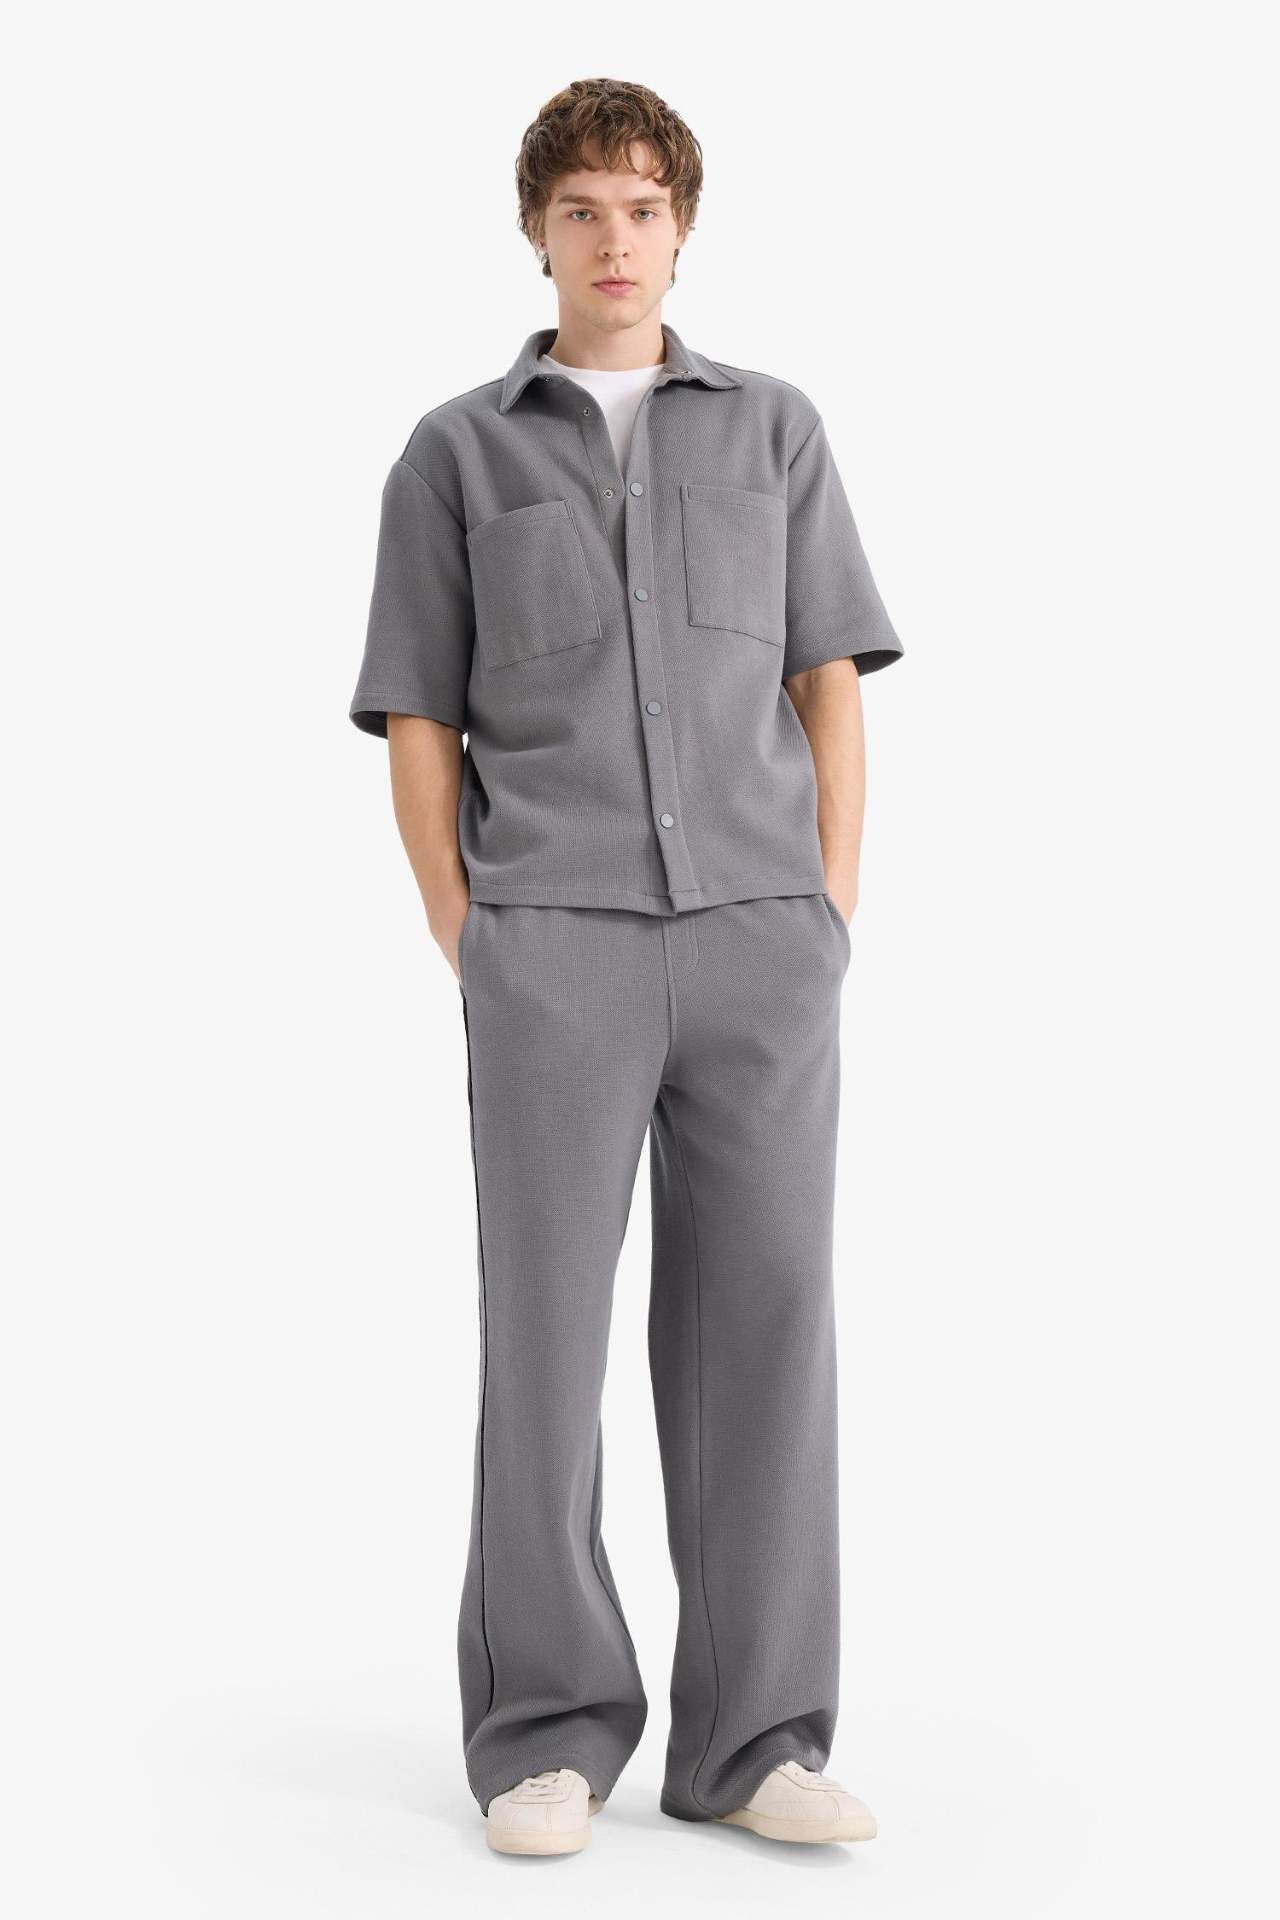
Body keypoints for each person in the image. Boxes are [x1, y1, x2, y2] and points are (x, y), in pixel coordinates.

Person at [349, 76, 904, 1857]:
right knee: (545, 1340)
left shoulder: (777, 432)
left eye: (644, 208)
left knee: (770, 1328)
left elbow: (827, 677)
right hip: (554, 949)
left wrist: (825, 907)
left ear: (684, 230)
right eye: (582, 208)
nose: (615, 239)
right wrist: (469, 931)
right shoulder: (455, 454)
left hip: (760, 942)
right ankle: (544, 1731)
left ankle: (755, 1739)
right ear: (537, 230)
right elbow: (419, 714)